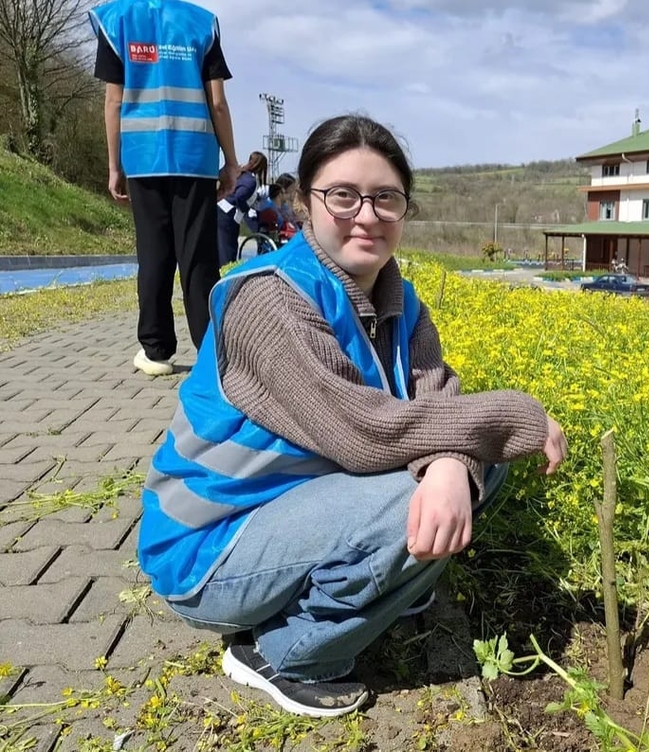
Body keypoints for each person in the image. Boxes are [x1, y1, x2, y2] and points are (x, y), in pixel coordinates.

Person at [138, 114, 569, 717]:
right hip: (212, 547)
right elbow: (362, 434)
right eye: (343, 196)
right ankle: (285, 653)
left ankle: (387, 579)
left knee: (477, 465)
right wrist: (516, 415)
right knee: (425, 487)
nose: (366, 215)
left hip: (298, 507)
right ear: (306, 204)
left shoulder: (401, 301)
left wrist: (453, 461)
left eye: (386, 198)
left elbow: (438, 399)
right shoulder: (268, 298)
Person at [89, 0, 240, 377]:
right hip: (195, 157)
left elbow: (113, 101)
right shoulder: (202, 23)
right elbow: (218, 103)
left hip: (143, 158)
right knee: (199, 257)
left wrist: (114, 165)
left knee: (153, 253)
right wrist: (231, 162)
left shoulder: (116, 21)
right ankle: (211, 351)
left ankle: (156, 351)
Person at [217, 150, 268, 266]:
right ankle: (227, 272)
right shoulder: (251, 180)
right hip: (228, 214)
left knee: (222, 247)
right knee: (228, 249)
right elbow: (239, 196)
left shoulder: (241, 174)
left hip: (221, 210)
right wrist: (246, 208)